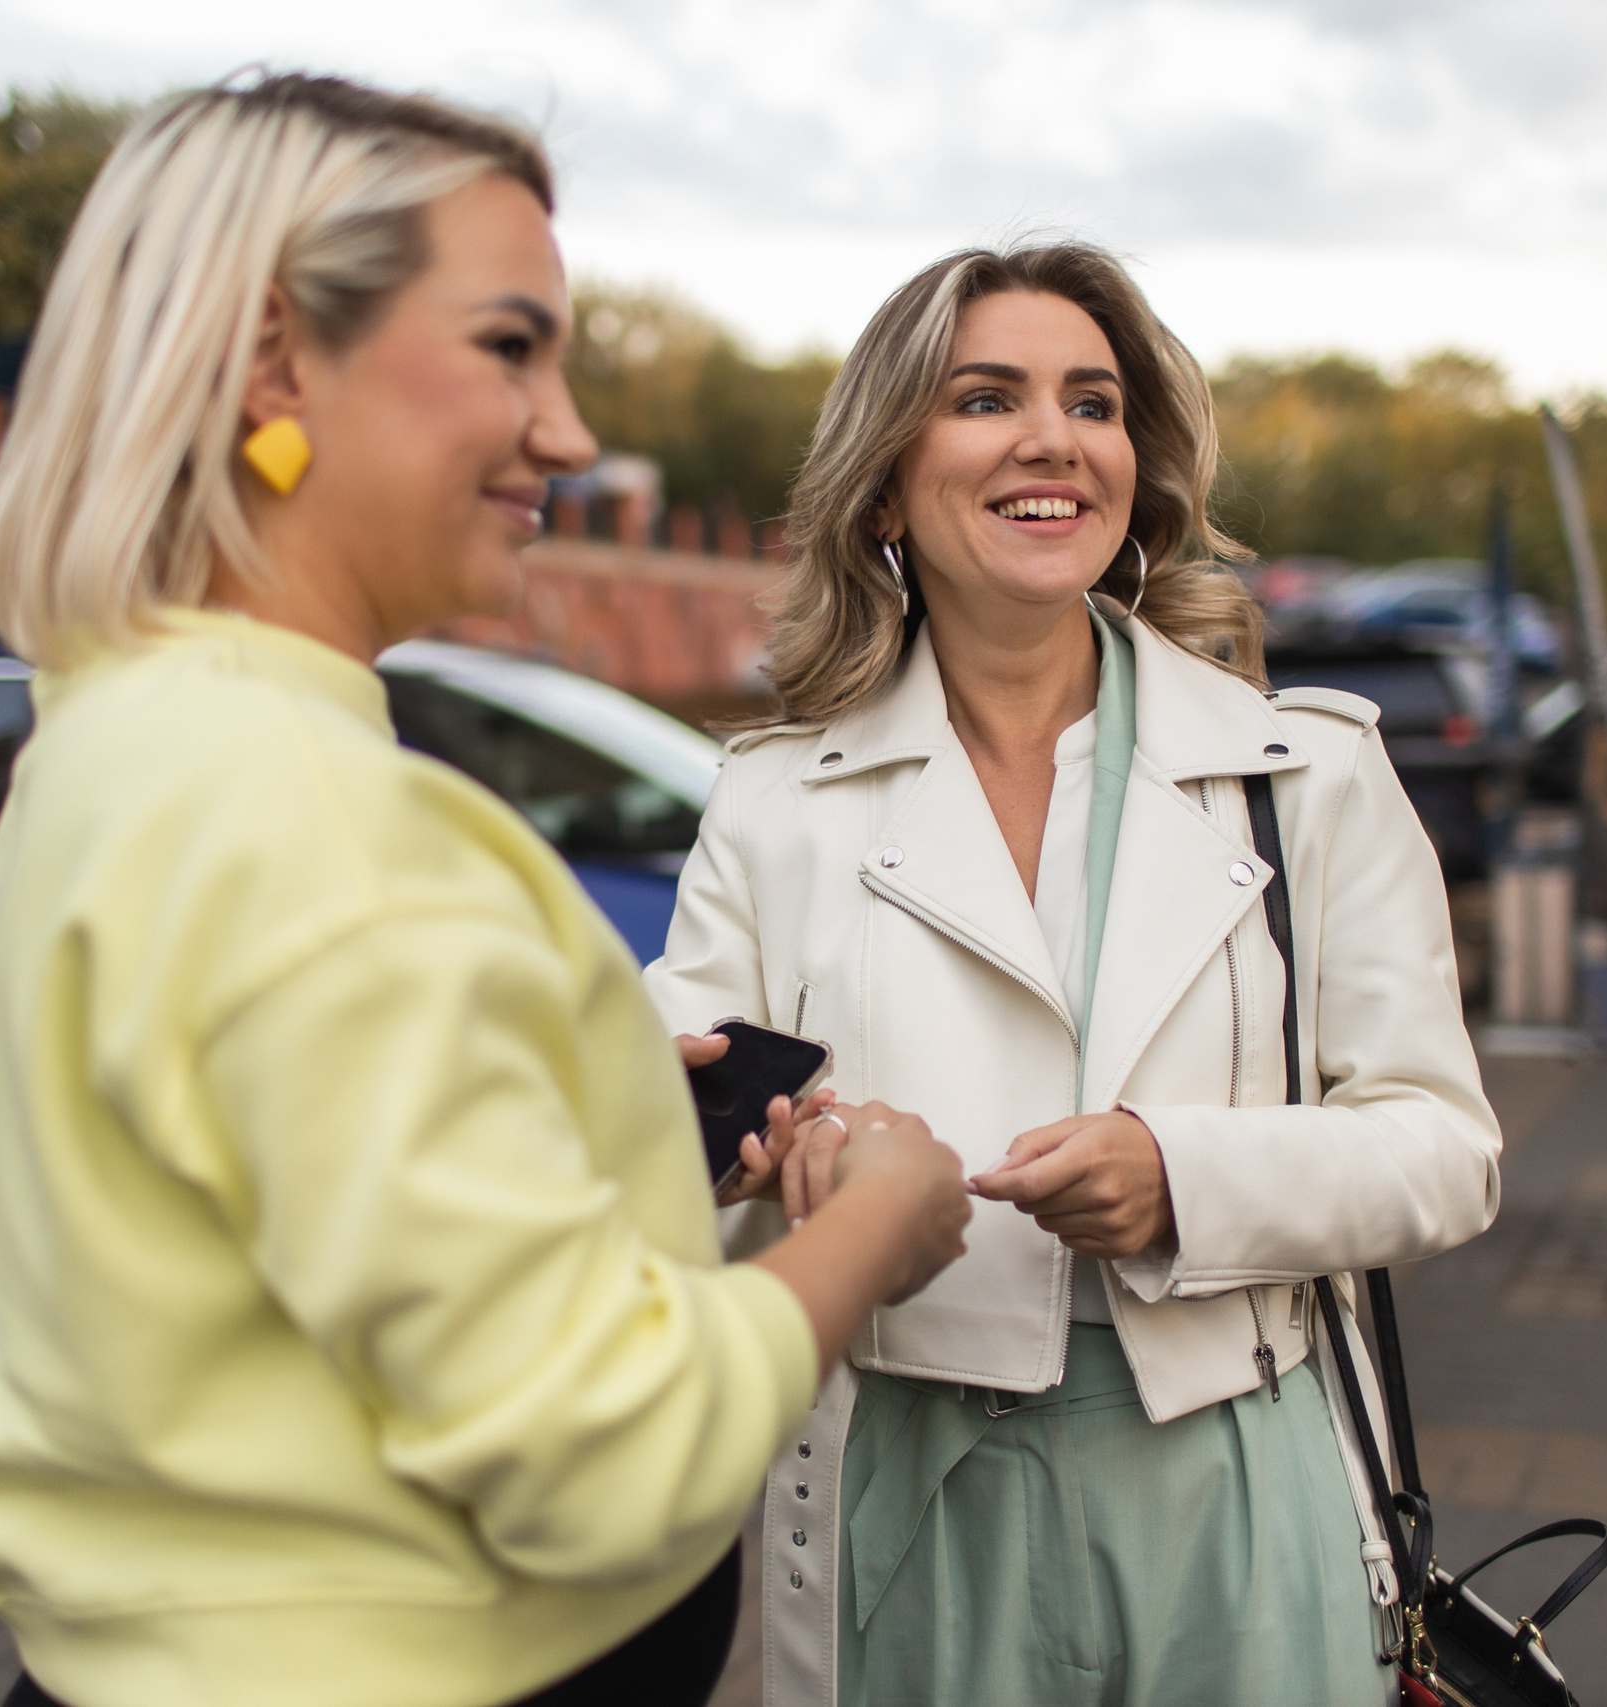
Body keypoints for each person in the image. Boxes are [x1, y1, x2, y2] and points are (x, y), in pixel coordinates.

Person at [0, 75, 971, 1707]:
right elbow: (606, 1447)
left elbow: (270, 1234)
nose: (566, 432)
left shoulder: (119, 734)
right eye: (509, 346)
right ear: (277, 359)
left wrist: (595, 1118)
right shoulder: (320, 816)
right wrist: (873, 1237)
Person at [644, 243, 1503, 1707]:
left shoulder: (1307, 772)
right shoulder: (775, 801)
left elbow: (1446, 1149)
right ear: (885, 481)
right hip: (904, 1488)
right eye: (987, 397)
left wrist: (1189, 1173)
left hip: (1238, 1481)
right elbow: (685, 1119)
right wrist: (746, 1135)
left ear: (1135, 472)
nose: (1053, 437)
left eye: (1093, 404)